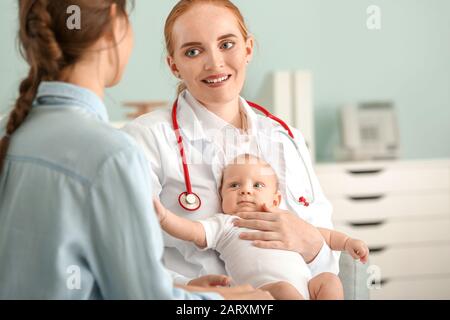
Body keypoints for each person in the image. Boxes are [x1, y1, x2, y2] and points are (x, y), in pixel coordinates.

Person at [0, 0, 271, 300]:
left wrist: (183, 289)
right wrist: (238, 302)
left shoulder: (15, 136)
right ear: (115, 25)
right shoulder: (113, 155)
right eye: (193, 50)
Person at [121, 0, 342, 298]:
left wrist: (311, 242)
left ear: (248, 49)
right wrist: (180, 287)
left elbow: (326, 258)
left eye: (227, 44)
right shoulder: (147, 138)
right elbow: (123, 251)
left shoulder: (286, 138)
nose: (214, 63)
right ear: (174, 65)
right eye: (193, 51)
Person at [153, 154, 369, 300]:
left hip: (306, 287)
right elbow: (192, 231)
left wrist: (348, 242)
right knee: (284, 289)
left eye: (257, 185)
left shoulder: (285, 219)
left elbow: (325, 237)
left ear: (275, 200)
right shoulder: (226, 224)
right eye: (234, 185)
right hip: (263, 292)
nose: (245, 191)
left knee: (329, 281)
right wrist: (164, 218)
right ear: (221, 197)